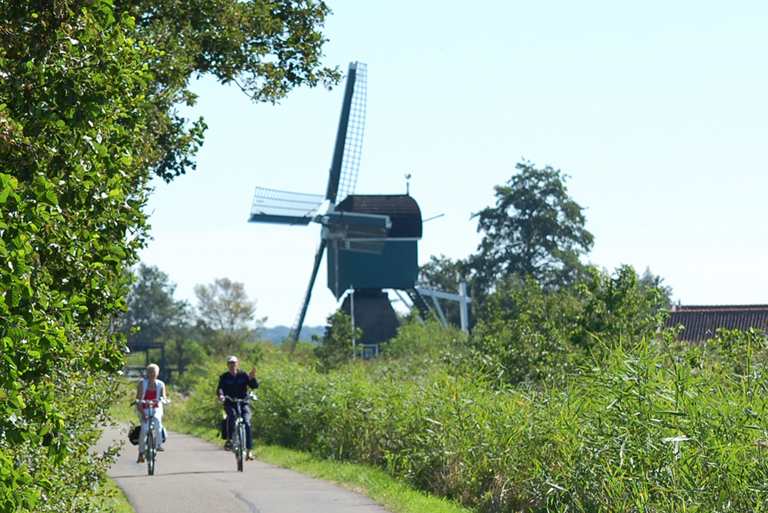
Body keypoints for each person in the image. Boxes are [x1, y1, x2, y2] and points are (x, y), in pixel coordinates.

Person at [217, 355, 259, 461]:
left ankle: (249, 450)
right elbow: (220, 388)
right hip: (230, 403)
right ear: (227, 365)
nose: (232, 365)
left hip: (243, 402)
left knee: (247, 422)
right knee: (231, 416)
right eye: (230, 363)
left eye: (234, 363)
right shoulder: (224, 377)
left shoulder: (243, 375)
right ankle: (229, 440)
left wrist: (253, 378)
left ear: (237, 364)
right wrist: (221, 395)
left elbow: (253, 386)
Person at [136, 363, 167, 463]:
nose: (152, 373)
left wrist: (163, 400)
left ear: (158, 373)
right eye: (150, 371)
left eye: (154, 371)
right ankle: (141, 452)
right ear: (147, 373)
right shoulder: (143, 384)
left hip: (156, 407)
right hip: (144, 408)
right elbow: (138, 399)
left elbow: (163, 397)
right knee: (144, 429)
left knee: (157, 420)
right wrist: (143, 413)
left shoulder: (160, 384)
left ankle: (158, 444)